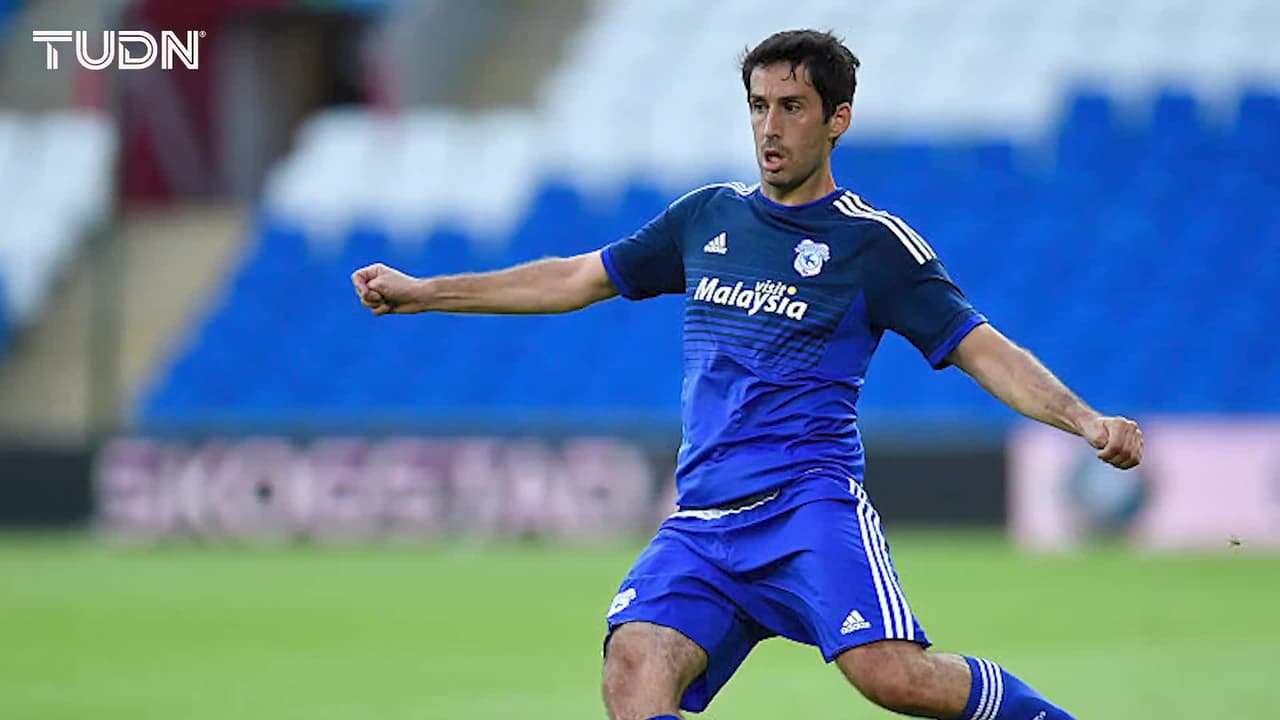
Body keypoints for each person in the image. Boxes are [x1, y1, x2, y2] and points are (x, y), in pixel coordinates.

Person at [351, 28, 1142, 720]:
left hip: (806, 504)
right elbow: (574, 277)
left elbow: (982, 348)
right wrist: (426, 292)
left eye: (792, 107)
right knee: (633, 664)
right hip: (703, 522)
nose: (770, 126)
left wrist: (1085, 420)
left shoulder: (874, 245)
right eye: (759, 106)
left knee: (892, 676)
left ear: (837, 120)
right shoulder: (705, 217)